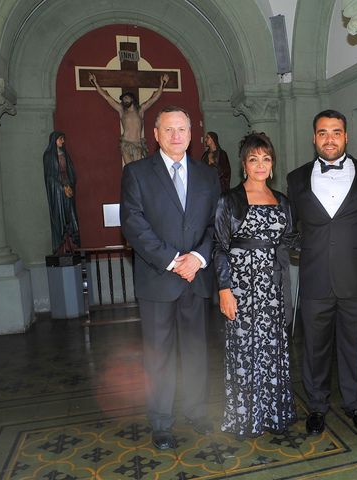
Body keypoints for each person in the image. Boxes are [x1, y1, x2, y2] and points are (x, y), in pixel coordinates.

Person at [120, 105, 221, 450]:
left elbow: (215, 226)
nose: (176, 135)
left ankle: (195, 410)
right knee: (158, 355)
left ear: (191, 135)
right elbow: (133, 224)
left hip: (197, 278)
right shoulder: (137, 173)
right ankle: (161, 422)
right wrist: (172, 260)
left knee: (195, 351)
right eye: (169, 130)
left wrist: (197, 257)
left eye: (182, 129)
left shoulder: (208, 176)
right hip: (157, 280)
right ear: (156, 134)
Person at [286, 110, 357, 436]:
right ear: (314, 138)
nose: (329, 138)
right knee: (314, 349)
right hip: (315, 280)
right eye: (322, 132)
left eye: (336, 132)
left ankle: (355, 405)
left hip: (356, 279)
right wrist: (302, 245)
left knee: (354, 348)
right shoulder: (295, 179)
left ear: (346, 136)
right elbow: (290, 224)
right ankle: (317, 407)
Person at [214, 132, 298, 439]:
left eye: (266, 159)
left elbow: (290, 241)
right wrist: (225, 290)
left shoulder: (283, 201)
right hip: (241, 291)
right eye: (254, 159)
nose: (260, 165)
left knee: (272, 351)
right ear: (244, 164)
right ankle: (246, 418)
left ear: (272, 164)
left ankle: (273, 415)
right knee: (245, 353)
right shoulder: (230, 200)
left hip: (273, 291)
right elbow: (220, 247)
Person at [89, 72, 169, 166]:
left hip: (138, 143)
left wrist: (162, 84)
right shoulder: (121, 111)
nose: (124, 100)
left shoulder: (140, 111)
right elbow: (107, 97)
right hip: (125, 144)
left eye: (126, 98)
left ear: (132, 99)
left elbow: (154, 98)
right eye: (123, 99)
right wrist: (95, 83)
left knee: (138, 168)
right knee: (129, 169)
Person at [43, 131, 80, 254]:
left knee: (70, 217)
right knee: (61, 218)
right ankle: (62, 248)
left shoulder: (65, 155)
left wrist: (69, 186)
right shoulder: (48, 156)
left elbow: (71, 172)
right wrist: (61, 187)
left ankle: (72, 246)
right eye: (60, 139)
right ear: (54, 140)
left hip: (68, 191)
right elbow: (49, 177)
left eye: (63, 139)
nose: (62, 141)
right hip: (57, 193)